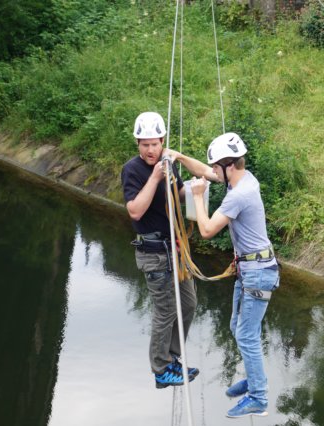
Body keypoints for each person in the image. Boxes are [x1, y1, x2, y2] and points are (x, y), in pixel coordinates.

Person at [121, 111, 216, 389]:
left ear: (162, 141)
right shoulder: (133, 170)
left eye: (155, 144)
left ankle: (172, 356)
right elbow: (135, 211)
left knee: (188, 304)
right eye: (145, 145)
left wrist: (195, 190)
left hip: (175, 248)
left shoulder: (167, 163)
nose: (150, 150)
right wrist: (154, 178)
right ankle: (161, 369)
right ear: (138, 144)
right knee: (165, 310)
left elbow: (176, 193)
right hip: (154, 252)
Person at [189, 132, 279, 418]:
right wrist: (177, 157)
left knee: (247, 336)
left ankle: (258, 397)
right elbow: (206, 172)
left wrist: (198, 197)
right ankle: (255, 379)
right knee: (236, 328)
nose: (213, 172)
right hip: (250, 269)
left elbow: (206, 230)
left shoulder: (239, 195)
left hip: (257, 274)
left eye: (216, 167)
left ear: (229, 166)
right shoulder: (245, 178)